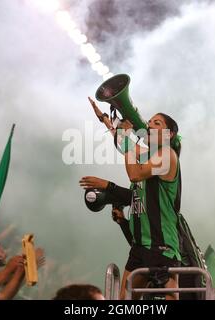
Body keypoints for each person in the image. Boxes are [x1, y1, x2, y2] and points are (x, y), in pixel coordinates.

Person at [81, 98, 192, 300]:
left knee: (170, 298)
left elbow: (135, 174)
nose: (149, 124)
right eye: (149, 121)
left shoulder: (168, 154)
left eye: (156, 123)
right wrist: (106, 120)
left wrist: (124, 136)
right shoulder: (146, 153)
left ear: (170, 134)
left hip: (162, 244)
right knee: (124, 300)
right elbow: (124, 143)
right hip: (140, 246)